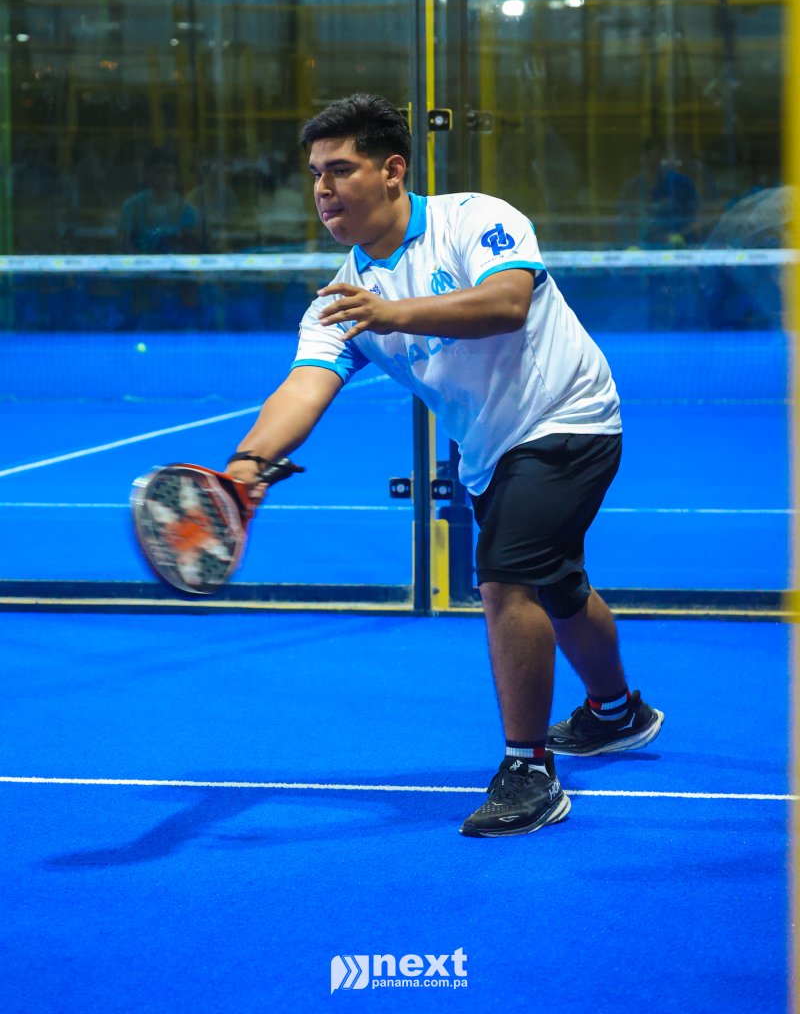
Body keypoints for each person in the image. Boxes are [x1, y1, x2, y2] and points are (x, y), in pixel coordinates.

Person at [226, 93, 663, 838]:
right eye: (315, 174)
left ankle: (529, 772)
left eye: (341, 169)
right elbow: (303, 386)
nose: (323, 189)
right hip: (491, 450)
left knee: (506, 578)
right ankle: (616, 712)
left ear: (393, 170)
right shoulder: (341, 299)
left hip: (571, 417)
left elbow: (506, 302)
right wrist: (245, 466)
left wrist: (391, 313)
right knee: (558, 586)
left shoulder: (475, 219)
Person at [120, 148, 201, 253]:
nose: (165, 177)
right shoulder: (132, 207)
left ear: (176, 176)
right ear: (148, 173)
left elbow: (195, 247)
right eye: (159, 171)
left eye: (169, 171)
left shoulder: (188, 210)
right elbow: (123, 244)